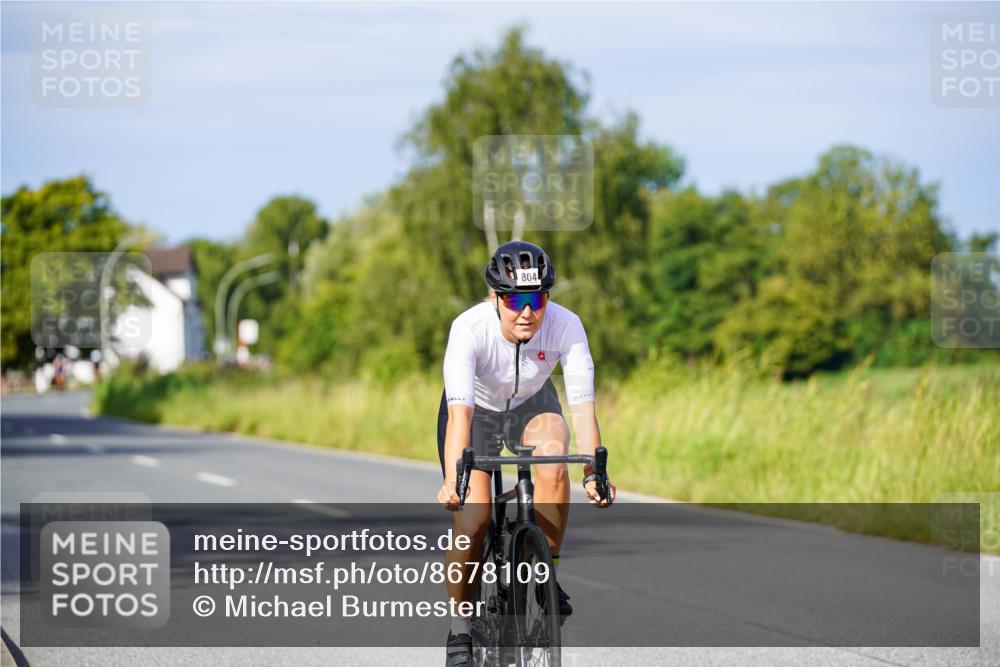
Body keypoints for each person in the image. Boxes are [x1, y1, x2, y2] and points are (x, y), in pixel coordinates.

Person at [436, 240, 616, 666]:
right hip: (475, 412)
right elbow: (459, 416)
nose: (527, 311)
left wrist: (595, 472)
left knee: (555, 458)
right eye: (515, 299)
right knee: (475, 518)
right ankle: (460, 628)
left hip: (532, 404)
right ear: (495, 298)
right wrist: (452, 481)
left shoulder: (566, 325)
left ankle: (544, 572)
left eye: (536, 298)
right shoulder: (469, 328)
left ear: (547, 298)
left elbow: (582, 408)